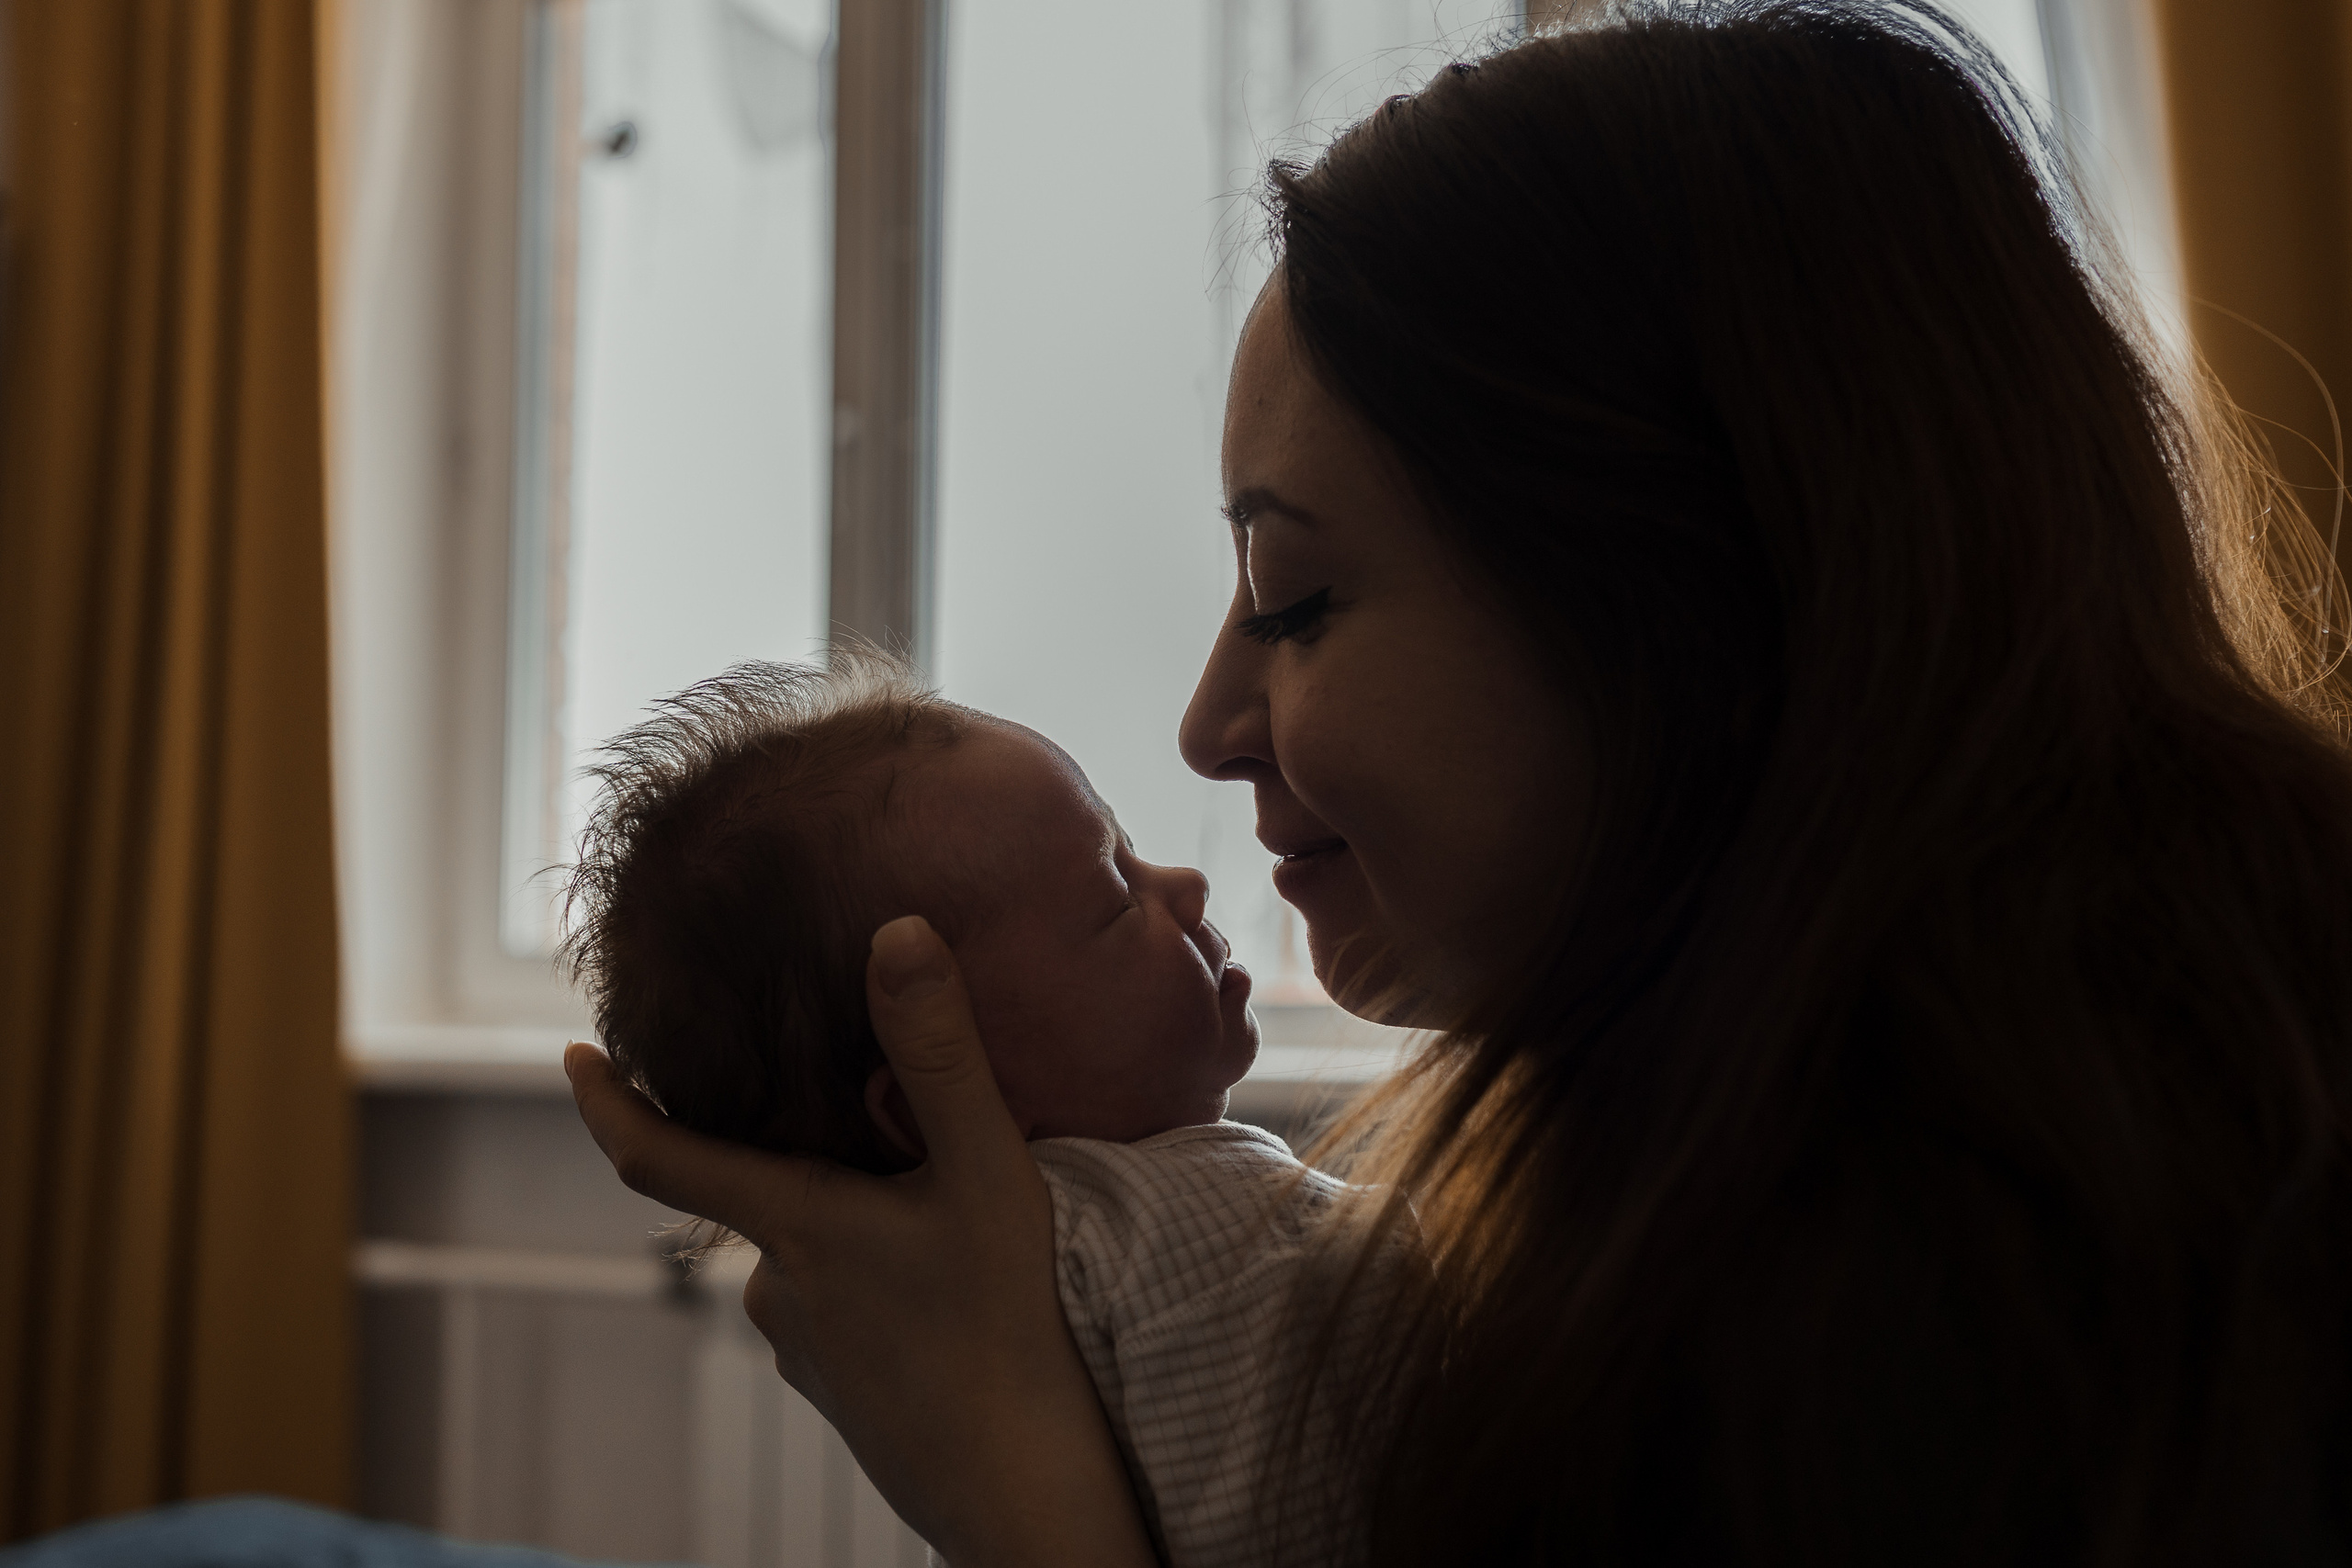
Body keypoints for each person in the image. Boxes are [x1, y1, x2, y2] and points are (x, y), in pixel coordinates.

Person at [569, 2, 2352, 1563]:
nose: (1204, 723)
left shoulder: (1946, 1321)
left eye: (1294, 596)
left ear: (1687, 598)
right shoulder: (1753, 1179)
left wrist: (1011, 1481)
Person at [558, 657, 1401, 1566]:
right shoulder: (1194, 1222)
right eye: (1116, 898)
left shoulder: (961, 1305)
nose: (1185, 884)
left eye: (1131, 850)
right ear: (938, 1092)